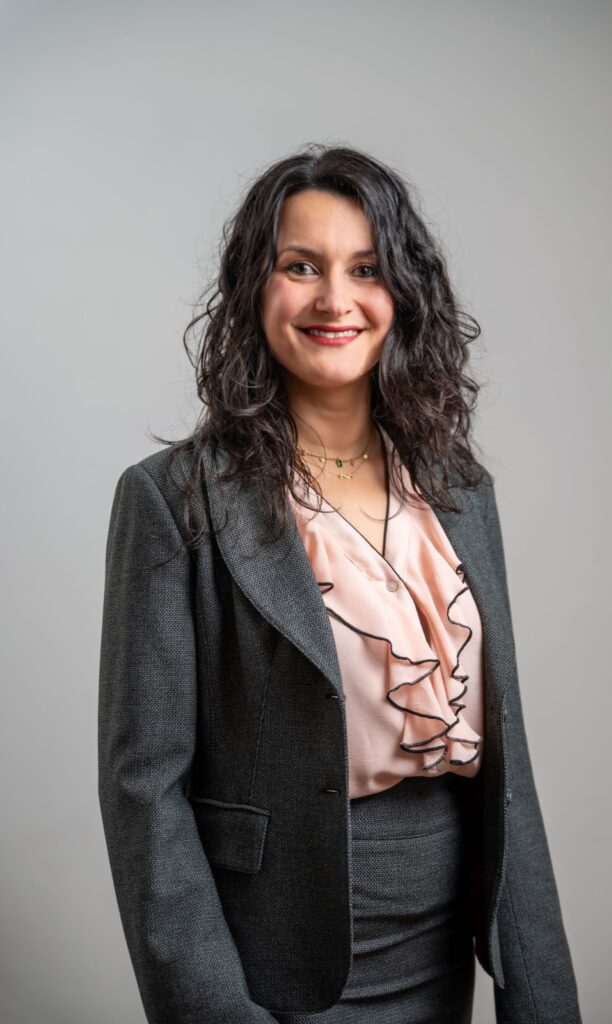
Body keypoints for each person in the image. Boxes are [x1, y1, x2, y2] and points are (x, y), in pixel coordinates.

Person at [98, 143, 583, 1024]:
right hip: (270, 962)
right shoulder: (174, 501)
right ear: (255, 287)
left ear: (404, 293)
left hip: (443, 953)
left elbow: (507, 769)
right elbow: (144, 794)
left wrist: (542, 996)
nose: (334, 299)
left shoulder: (460, 492)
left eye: (366, 269)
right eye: (301, 266)